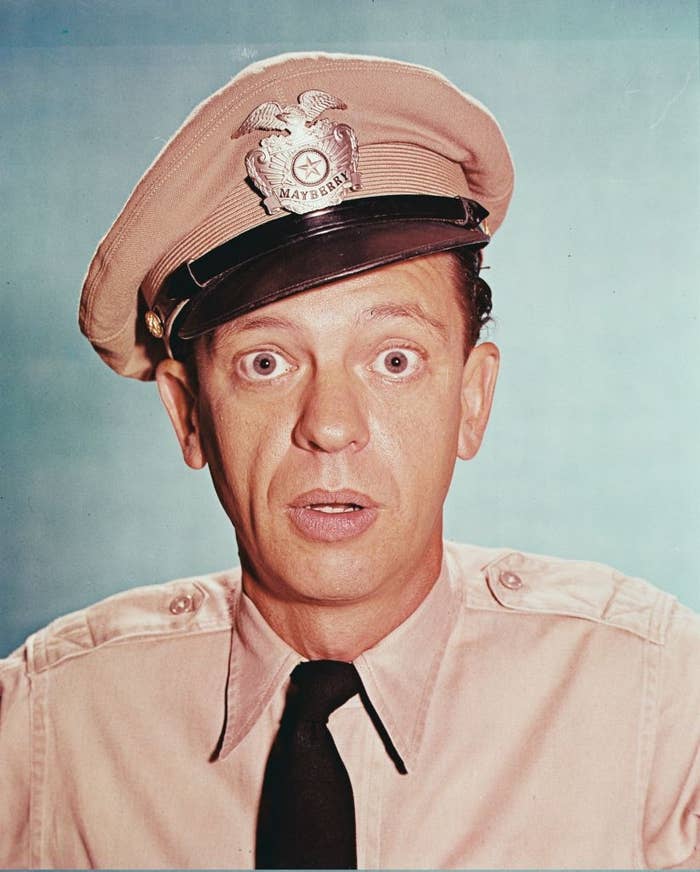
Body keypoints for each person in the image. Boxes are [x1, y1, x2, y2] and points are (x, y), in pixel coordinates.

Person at [0, 51, 698, 870]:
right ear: (189, 416)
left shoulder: (662, 707)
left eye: (394, 360)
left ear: (473, 400)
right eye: (267, 362)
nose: (330, 428)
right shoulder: (46, 730)